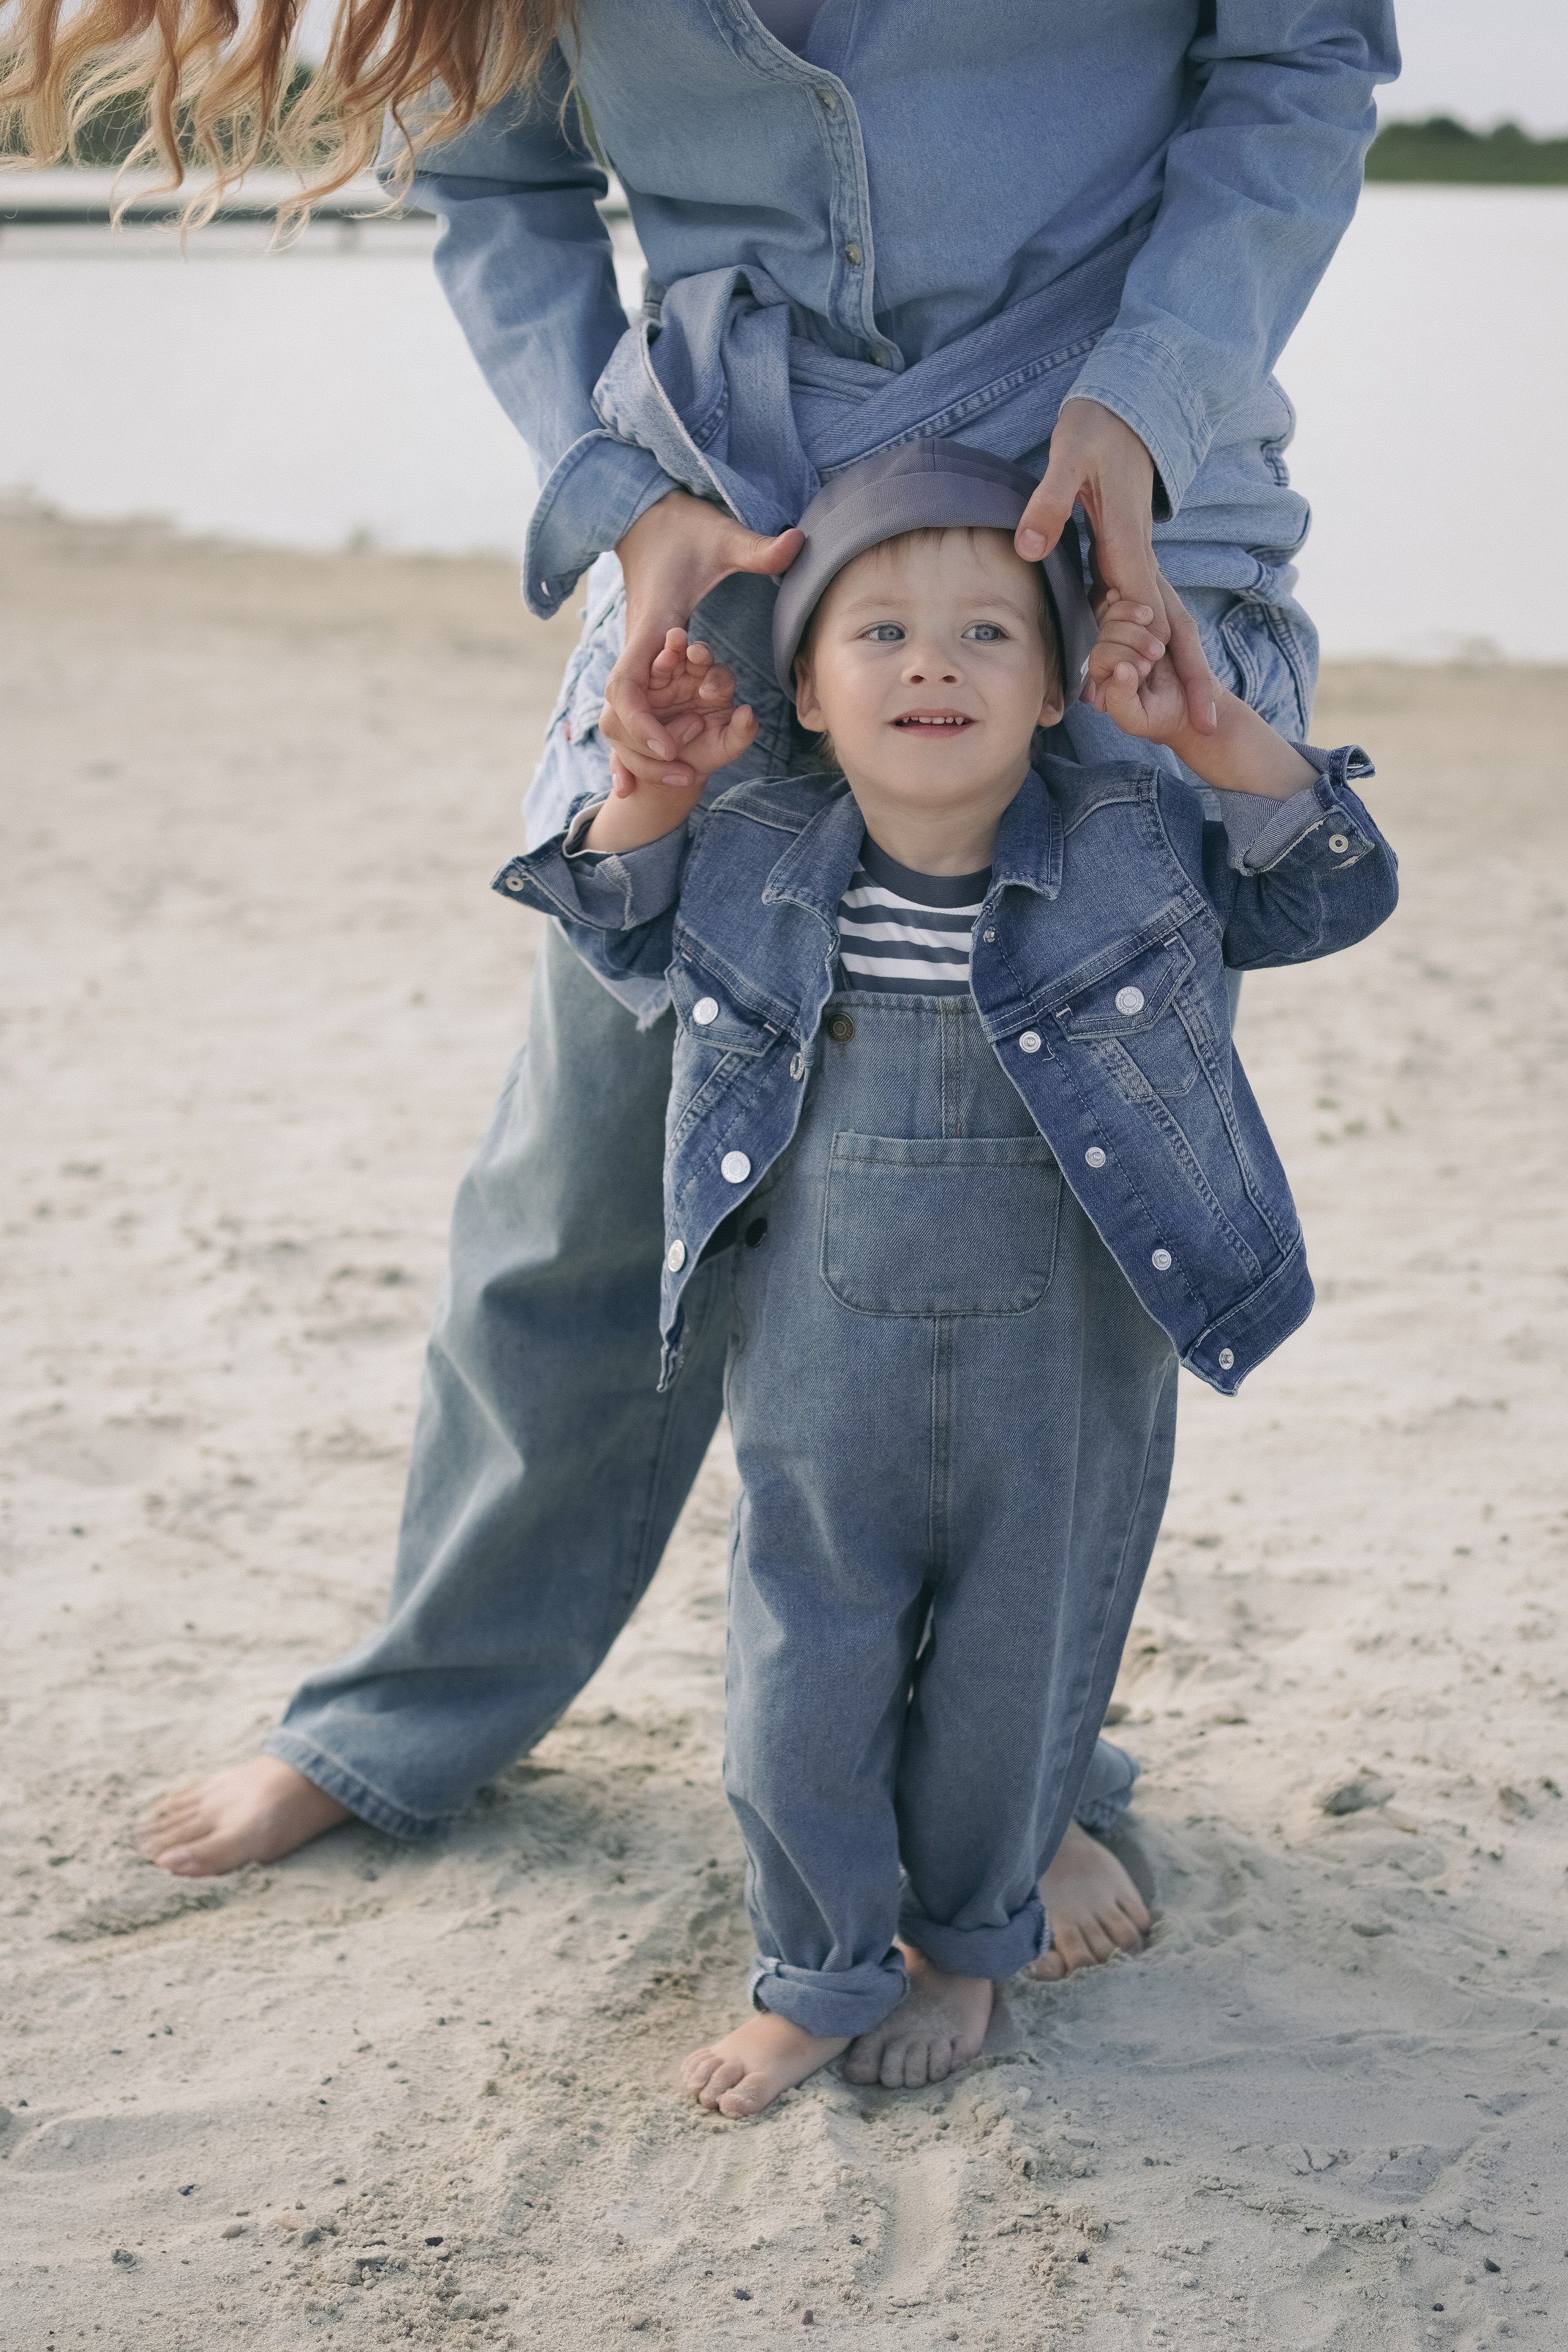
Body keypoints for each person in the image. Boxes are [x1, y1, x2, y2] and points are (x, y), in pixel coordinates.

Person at [125, 2, 1401, 1983]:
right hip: (724, 532)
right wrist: (621, 497)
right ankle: (415, 1706)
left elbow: (1302, 59)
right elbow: (494, 176)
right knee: (581, 1181)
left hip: (1113, 529)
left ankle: (1029, 1782)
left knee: (1051, 1229)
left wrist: (1153, 390)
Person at [489, 442, 1398, 2110]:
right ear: (813, 697)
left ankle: (968, 1957)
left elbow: (1326, 884)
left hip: (1058, 1379)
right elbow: (606, 917)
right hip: (820, 1369)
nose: (931, 661)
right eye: (878, 633)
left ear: (1059, 692)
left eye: (988, 636)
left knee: (1007, 1681)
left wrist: (1219, 736)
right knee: (799, 1676)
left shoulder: (1129, 842)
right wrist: (655, 789)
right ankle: (816, 1971)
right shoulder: (760, 850)